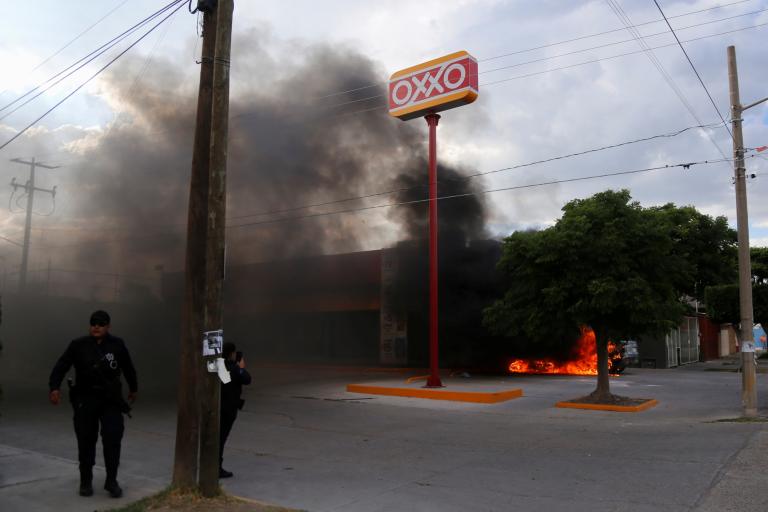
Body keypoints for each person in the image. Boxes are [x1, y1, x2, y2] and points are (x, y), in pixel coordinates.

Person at [48, 310, 137, 498]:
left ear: (108, 326)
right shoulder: (78, 345)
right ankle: (85, 481)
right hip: (85, 399)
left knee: (113, 438)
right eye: (93, 323)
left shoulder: (117, 344)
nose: (96, 326)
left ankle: (111, 481)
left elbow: (128, 367)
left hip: (110, 400)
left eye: (101, 323)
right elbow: (61, 365)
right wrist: (54, 387)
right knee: (86, 439)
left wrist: (133, 388)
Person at [219, 341, 251, 478]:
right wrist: (241, 368)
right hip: (228, 408)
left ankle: (214, 465)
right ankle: (217, 467)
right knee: (221, 438)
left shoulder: (218, 365)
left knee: (217, 438)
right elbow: (247, 379)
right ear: (232, 353)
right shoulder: (234, 368)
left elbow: (225, 381)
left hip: (218, 406)